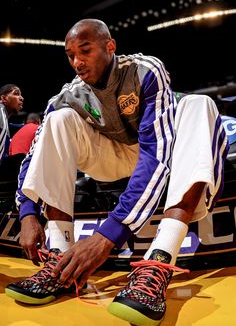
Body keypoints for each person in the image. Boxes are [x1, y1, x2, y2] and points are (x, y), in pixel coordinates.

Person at [5, 19, 228, 326]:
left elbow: (156, 154)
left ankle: (158, 262)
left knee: (198, 104)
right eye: (70, 55)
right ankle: (62, 259)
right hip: (114, 156)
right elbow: (33, 155)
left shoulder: (145, 70)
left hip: (161, 148)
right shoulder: (70, 93)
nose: (77, 62)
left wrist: (107, 236)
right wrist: (28, 212)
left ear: (110, 46)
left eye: (86, 50)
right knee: (58, 119)